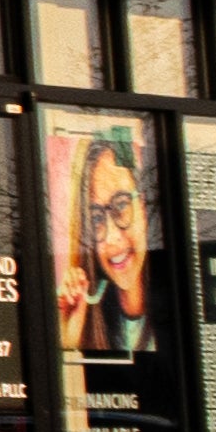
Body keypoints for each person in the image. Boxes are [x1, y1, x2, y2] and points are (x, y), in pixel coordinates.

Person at [61, 128, 153, 359]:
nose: (112, 236)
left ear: (144, 203)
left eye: (121, 205)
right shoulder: (91, 319)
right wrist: (68, 340)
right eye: (96, 218)